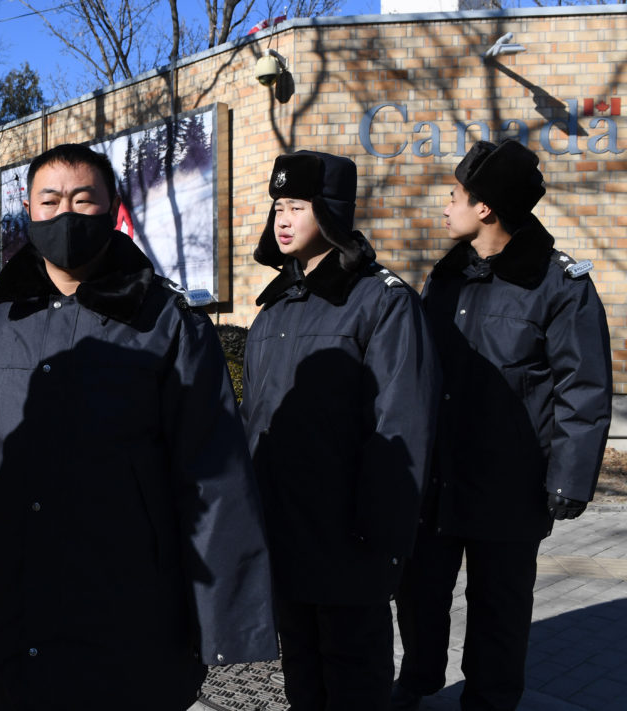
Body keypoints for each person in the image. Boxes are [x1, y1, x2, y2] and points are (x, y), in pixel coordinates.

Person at [0, 143, 277, 710]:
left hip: (133, 603)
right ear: (28, 212)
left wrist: (227, 618)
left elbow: (213, 475)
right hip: (20, 602)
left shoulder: (168, 324)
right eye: (49, 201)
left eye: (83, 200)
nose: (66, 214)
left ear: (112, 209)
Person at [392, 139, 612, 711]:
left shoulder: (559, 285)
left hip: (511, 482)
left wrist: (569, 480)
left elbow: (583, 388)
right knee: (419, 591)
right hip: (437, 477)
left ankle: (489, 701)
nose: (446, 205)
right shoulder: (447, 277)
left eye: (455, 195)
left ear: (485, 207)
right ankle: (417, 683)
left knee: (499, 606)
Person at [240, 151, 439, 710]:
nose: (282, 220)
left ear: (329, 211)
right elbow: (255, 420)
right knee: (302, 675)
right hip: (284, 531)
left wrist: (381, 531)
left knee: (354, 678)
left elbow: (402, 421)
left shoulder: (382, 301)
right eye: (278, 206)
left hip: (350, 536)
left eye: (296, 207)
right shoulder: (274, 310)